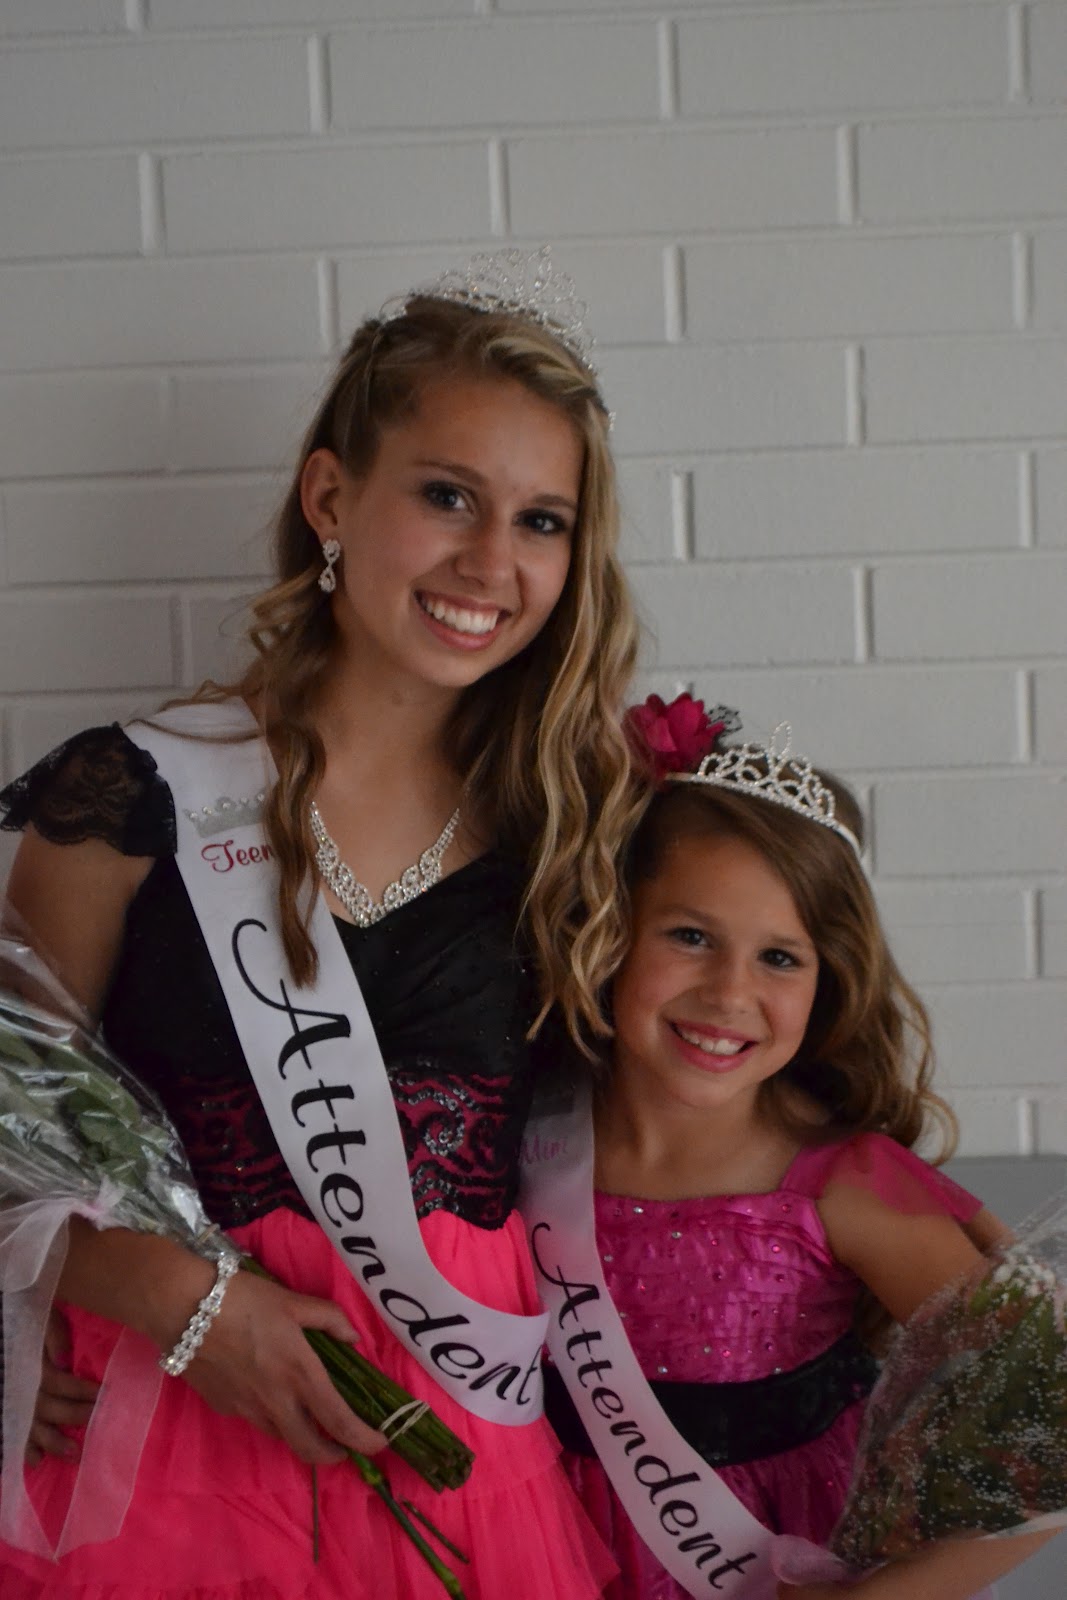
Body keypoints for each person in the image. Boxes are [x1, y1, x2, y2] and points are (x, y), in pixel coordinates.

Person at [0, 249, 639, 1599]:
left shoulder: (572, 837)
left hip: (463, 1466)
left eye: (540, 520)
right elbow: (12, 1147)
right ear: (331, 495)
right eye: (446, 495)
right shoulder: (128, 799)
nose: (490, 562)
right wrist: (181, 1305)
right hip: (171, 1451)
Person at [530, 698, 1055, 1600]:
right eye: (689, 936)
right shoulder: (517, 1143)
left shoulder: (841, 1183)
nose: (728, 993)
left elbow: (1044, 1424)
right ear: (609, 932)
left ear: (828, 980)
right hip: (544, 1554)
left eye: (779, 958)